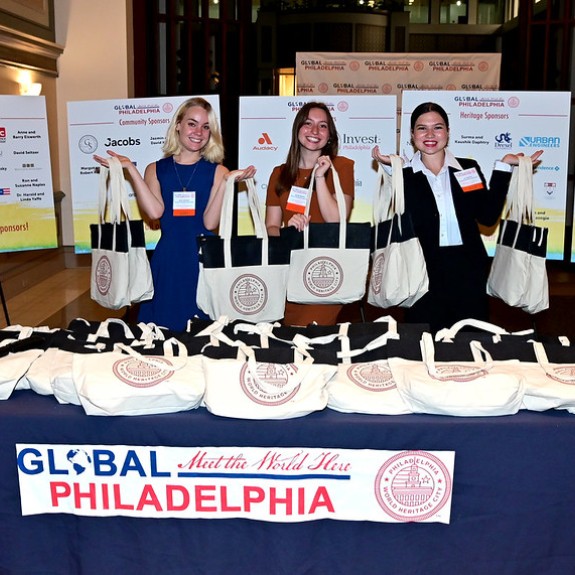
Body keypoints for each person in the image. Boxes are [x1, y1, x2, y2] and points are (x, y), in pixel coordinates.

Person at [372, 101, 543, 333]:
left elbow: (488, 216)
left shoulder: (467, 169)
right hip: (421, 275)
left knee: (472, 345)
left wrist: (504, 167)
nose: (430, 134)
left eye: (438, 127)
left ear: (448, 132)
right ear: (412, 135)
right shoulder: (404, 175)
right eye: (422, 128)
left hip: (468, 272)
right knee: (424, 347)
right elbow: (399, 208)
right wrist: (392, 169)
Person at [94, 96, 255, 331]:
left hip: (202, 261)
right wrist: (131, 170)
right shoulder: (156, 169)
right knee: (160, 333)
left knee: (202, 334)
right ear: (178, 125)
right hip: (168, 260)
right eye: (192, 123)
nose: (198, 131)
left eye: (206, 126)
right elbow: (154, 211)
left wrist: (227, 182)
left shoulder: (219, 171)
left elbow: (209, 223)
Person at [265, 101, 355, 326]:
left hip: (326, 270)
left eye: (322, 126)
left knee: (314, 336)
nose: (315, 131)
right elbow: (271, 227)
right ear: (297, 130)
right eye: (308, 123)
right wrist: (288, 232)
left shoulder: (341, 167)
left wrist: (319, 177)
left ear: (330, 136)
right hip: (289, 270)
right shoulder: (279, 174)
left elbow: (336, 219)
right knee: (291, 340)